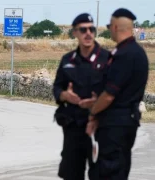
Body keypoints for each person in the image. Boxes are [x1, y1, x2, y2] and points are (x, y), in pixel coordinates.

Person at [86, 8, 149, 180]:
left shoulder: (125, 55)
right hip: (123, 122)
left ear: (115, 27)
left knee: (109, 173)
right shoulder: (134, 52)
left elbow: (109, 95)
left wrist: (93, 113)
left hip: (116, 125)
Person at [52, 13, 111, 180]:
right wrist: (65, 95)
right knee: (71, 174)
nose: (88, 33)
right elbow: (57, 88)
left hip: (100, 127)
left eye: (91, 29)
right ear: (75, 33)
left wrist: (97, 102)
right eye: (83, 29)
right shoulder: (67, 60)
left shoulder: (107, 59)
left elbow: (116, 91)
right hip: (73, 127)